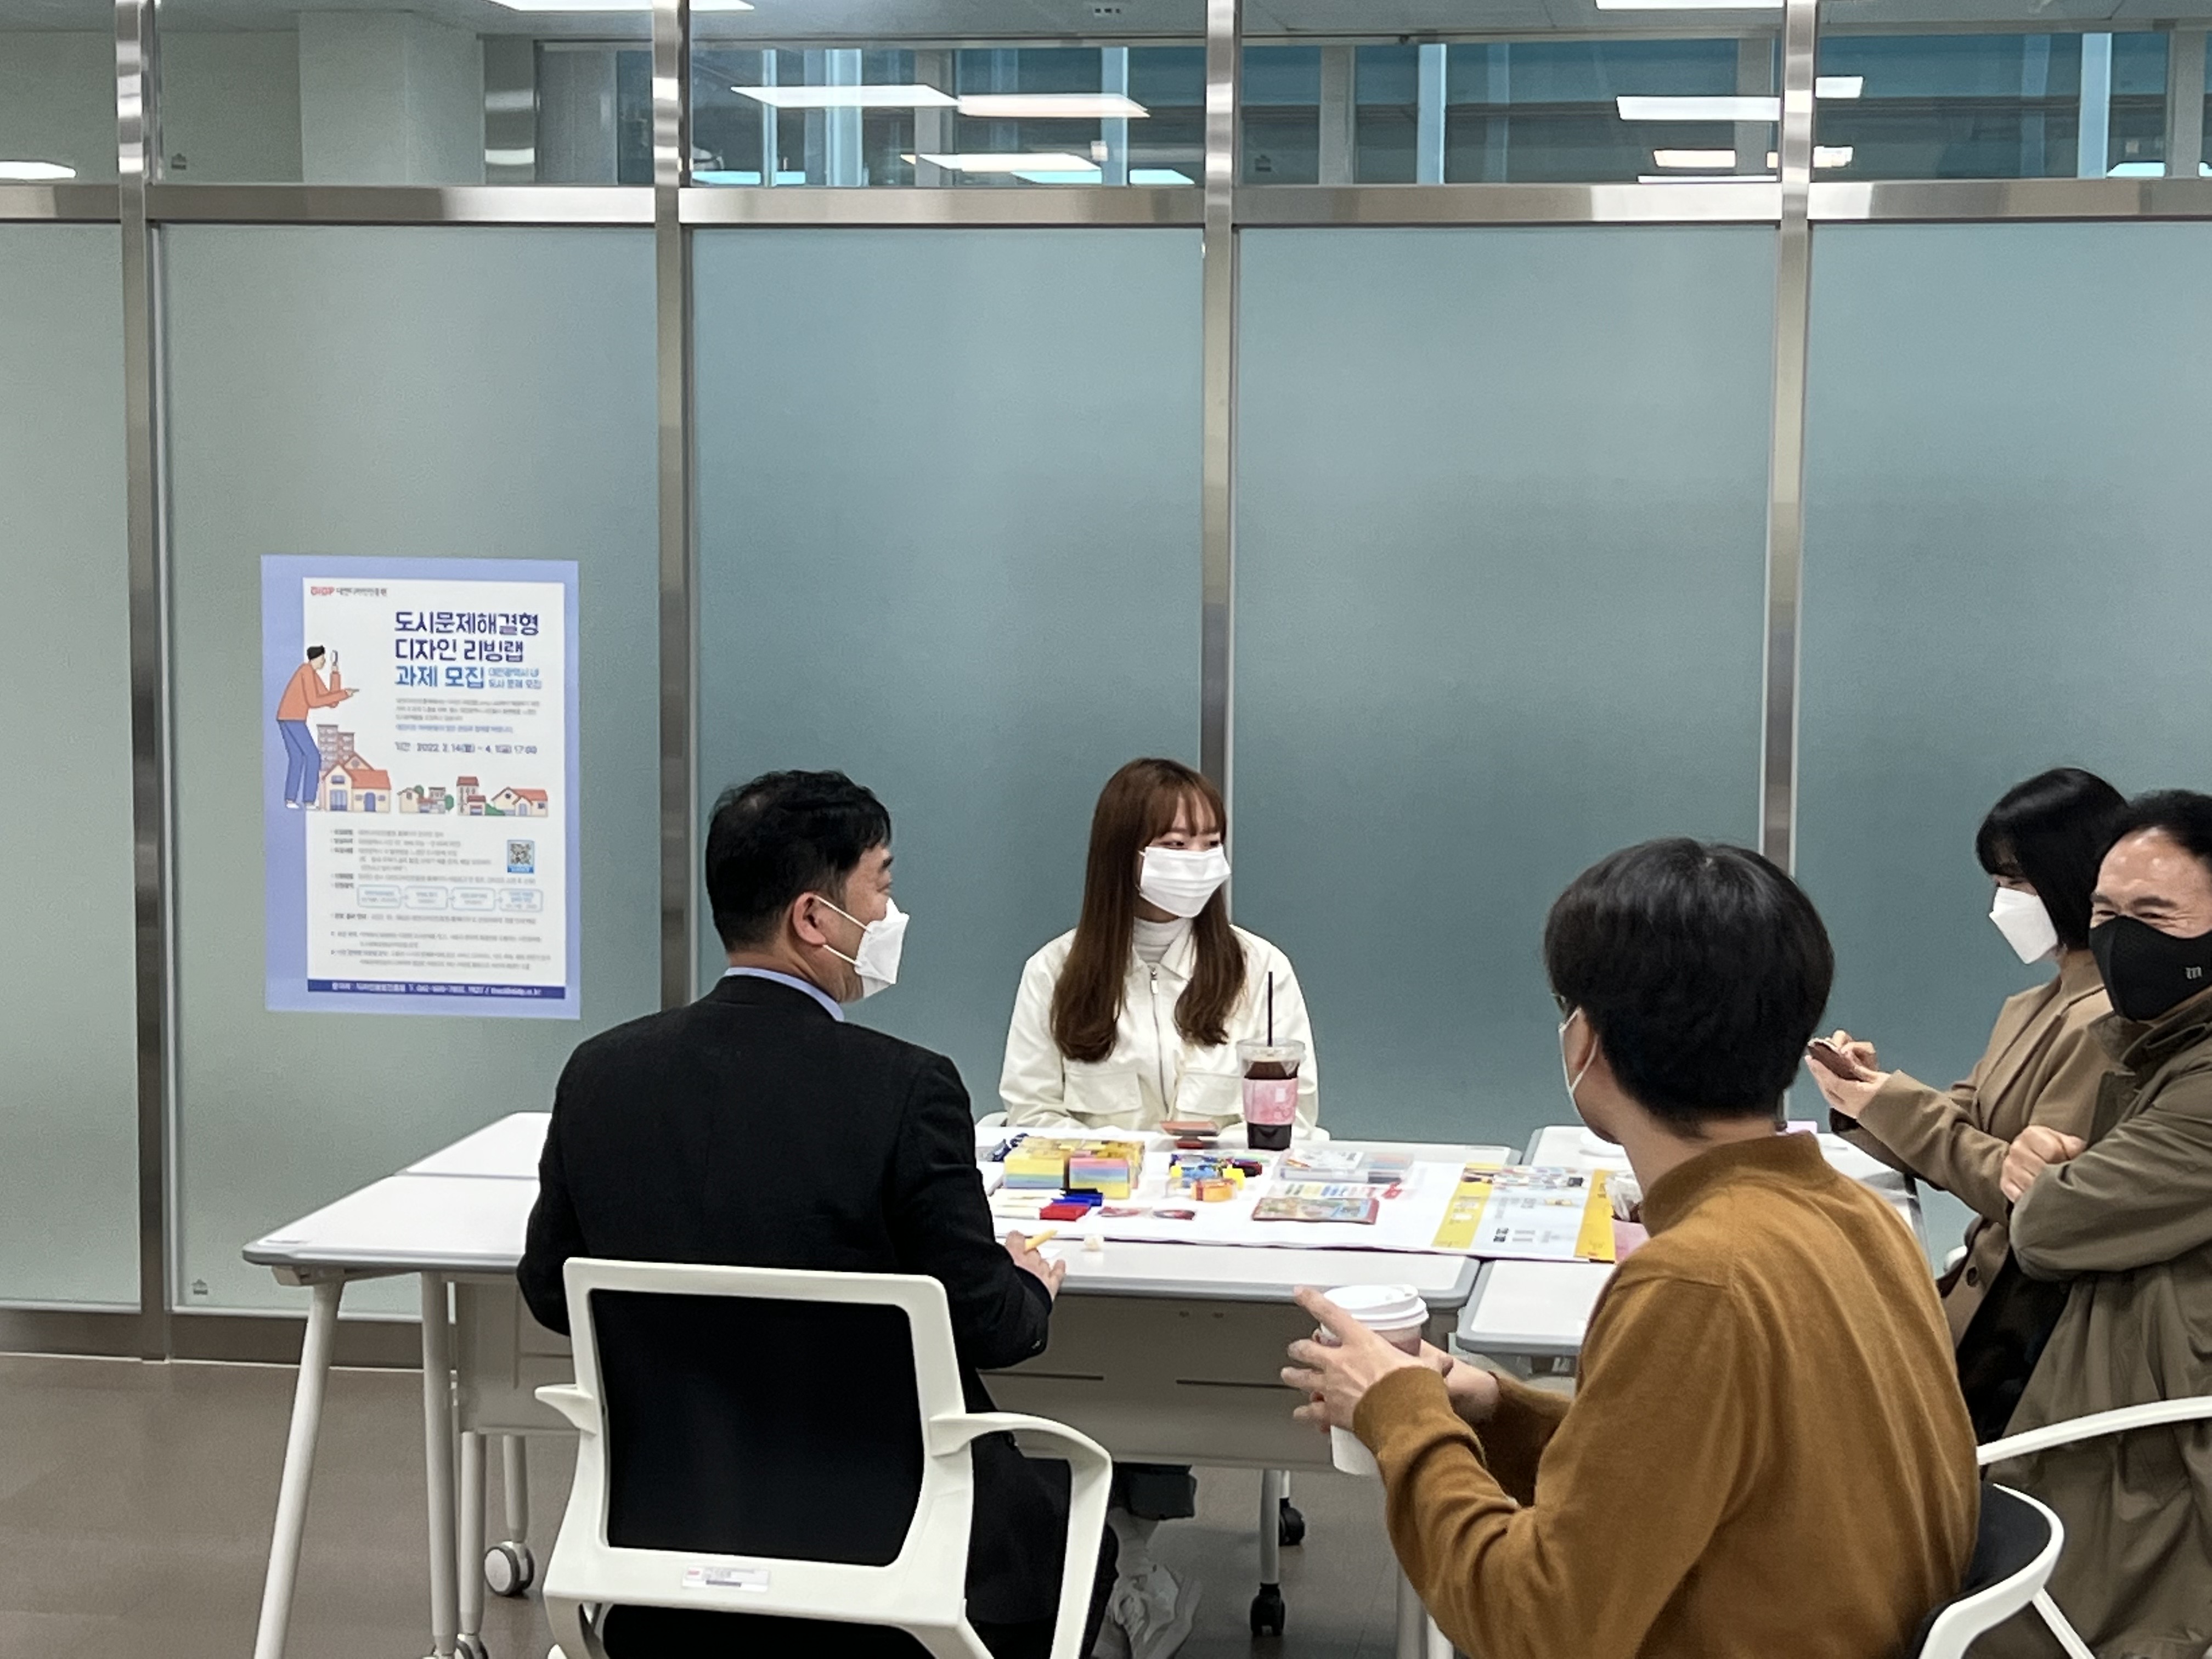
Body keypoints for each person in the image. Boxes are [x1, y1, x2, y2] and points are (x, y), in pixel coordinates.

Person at [1282, 839, 1978, 1658]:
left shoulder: (1694, 1282)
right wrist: (1498, 1409)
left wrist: (1401, 1417)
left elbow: (1535, 1626)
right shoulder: (1863, 1218)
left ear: (1585, 1043)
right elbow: (1686, 1469)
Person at [520, 770, 1112, 1659]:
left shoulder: (601, 1074)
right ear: (813, 917)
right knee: (1074, 1534)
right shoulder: (905, 1089)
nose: (890, 910)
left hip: (666, 1558)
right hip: (897, 1562)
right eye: (880, 883)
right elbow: (991, 1325)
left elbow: (549, 1291)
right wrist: (1027, 1284)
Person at [998, 757, 1319, 1659]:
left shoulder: (1259, 969)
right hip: (1096, 1241)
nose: (1197, 860)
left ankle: (1129, 1563)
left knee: (1176, 1361)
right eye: (1175, 842)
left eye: (1210, 841)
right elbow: (1027, 1119)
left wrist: (1213, 1147)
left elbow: (1297, 1123)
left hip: (1225, 1241)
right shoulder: (1055, 970)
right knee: (1100, 1363)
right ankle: (1109, 1560)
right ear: (1122, 853)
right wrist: (1129, 1154)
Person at [1808, 767, 2123, 1437]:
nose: (2001, 903)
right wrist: (1867, 1096)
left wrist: (1890, 1105)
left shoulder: (2105, 1023)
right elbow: (1960, 1123)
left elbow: (2026, 1190)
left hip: (2014, 1341)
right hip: (1972, 1310)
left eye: (2016, 882)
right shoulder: (2033, 1005)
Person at [1979, 790, 2212, 1659]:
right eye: (2107, 914)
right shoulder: (2153, 1046)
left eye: (2154, 915)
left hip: (2138, 1459)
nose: (2119, 939)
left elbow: (2051, 1228)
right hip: (2086, 1395)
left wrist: (2053, 1178)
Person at [274, 644, 352, 809]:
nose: (324, 662)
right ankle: (309, 800)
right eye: (323, 659)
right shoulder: (306, 672)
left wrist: (335, 675)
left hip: (288, 718)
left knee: (297, 757)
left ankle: (290, 799)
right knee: (313, 756)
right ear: (315, 658)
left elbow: (332, 702)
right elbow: (314, 701)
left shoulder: (313, 674)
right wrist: (343, 694)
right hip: (293, 718)